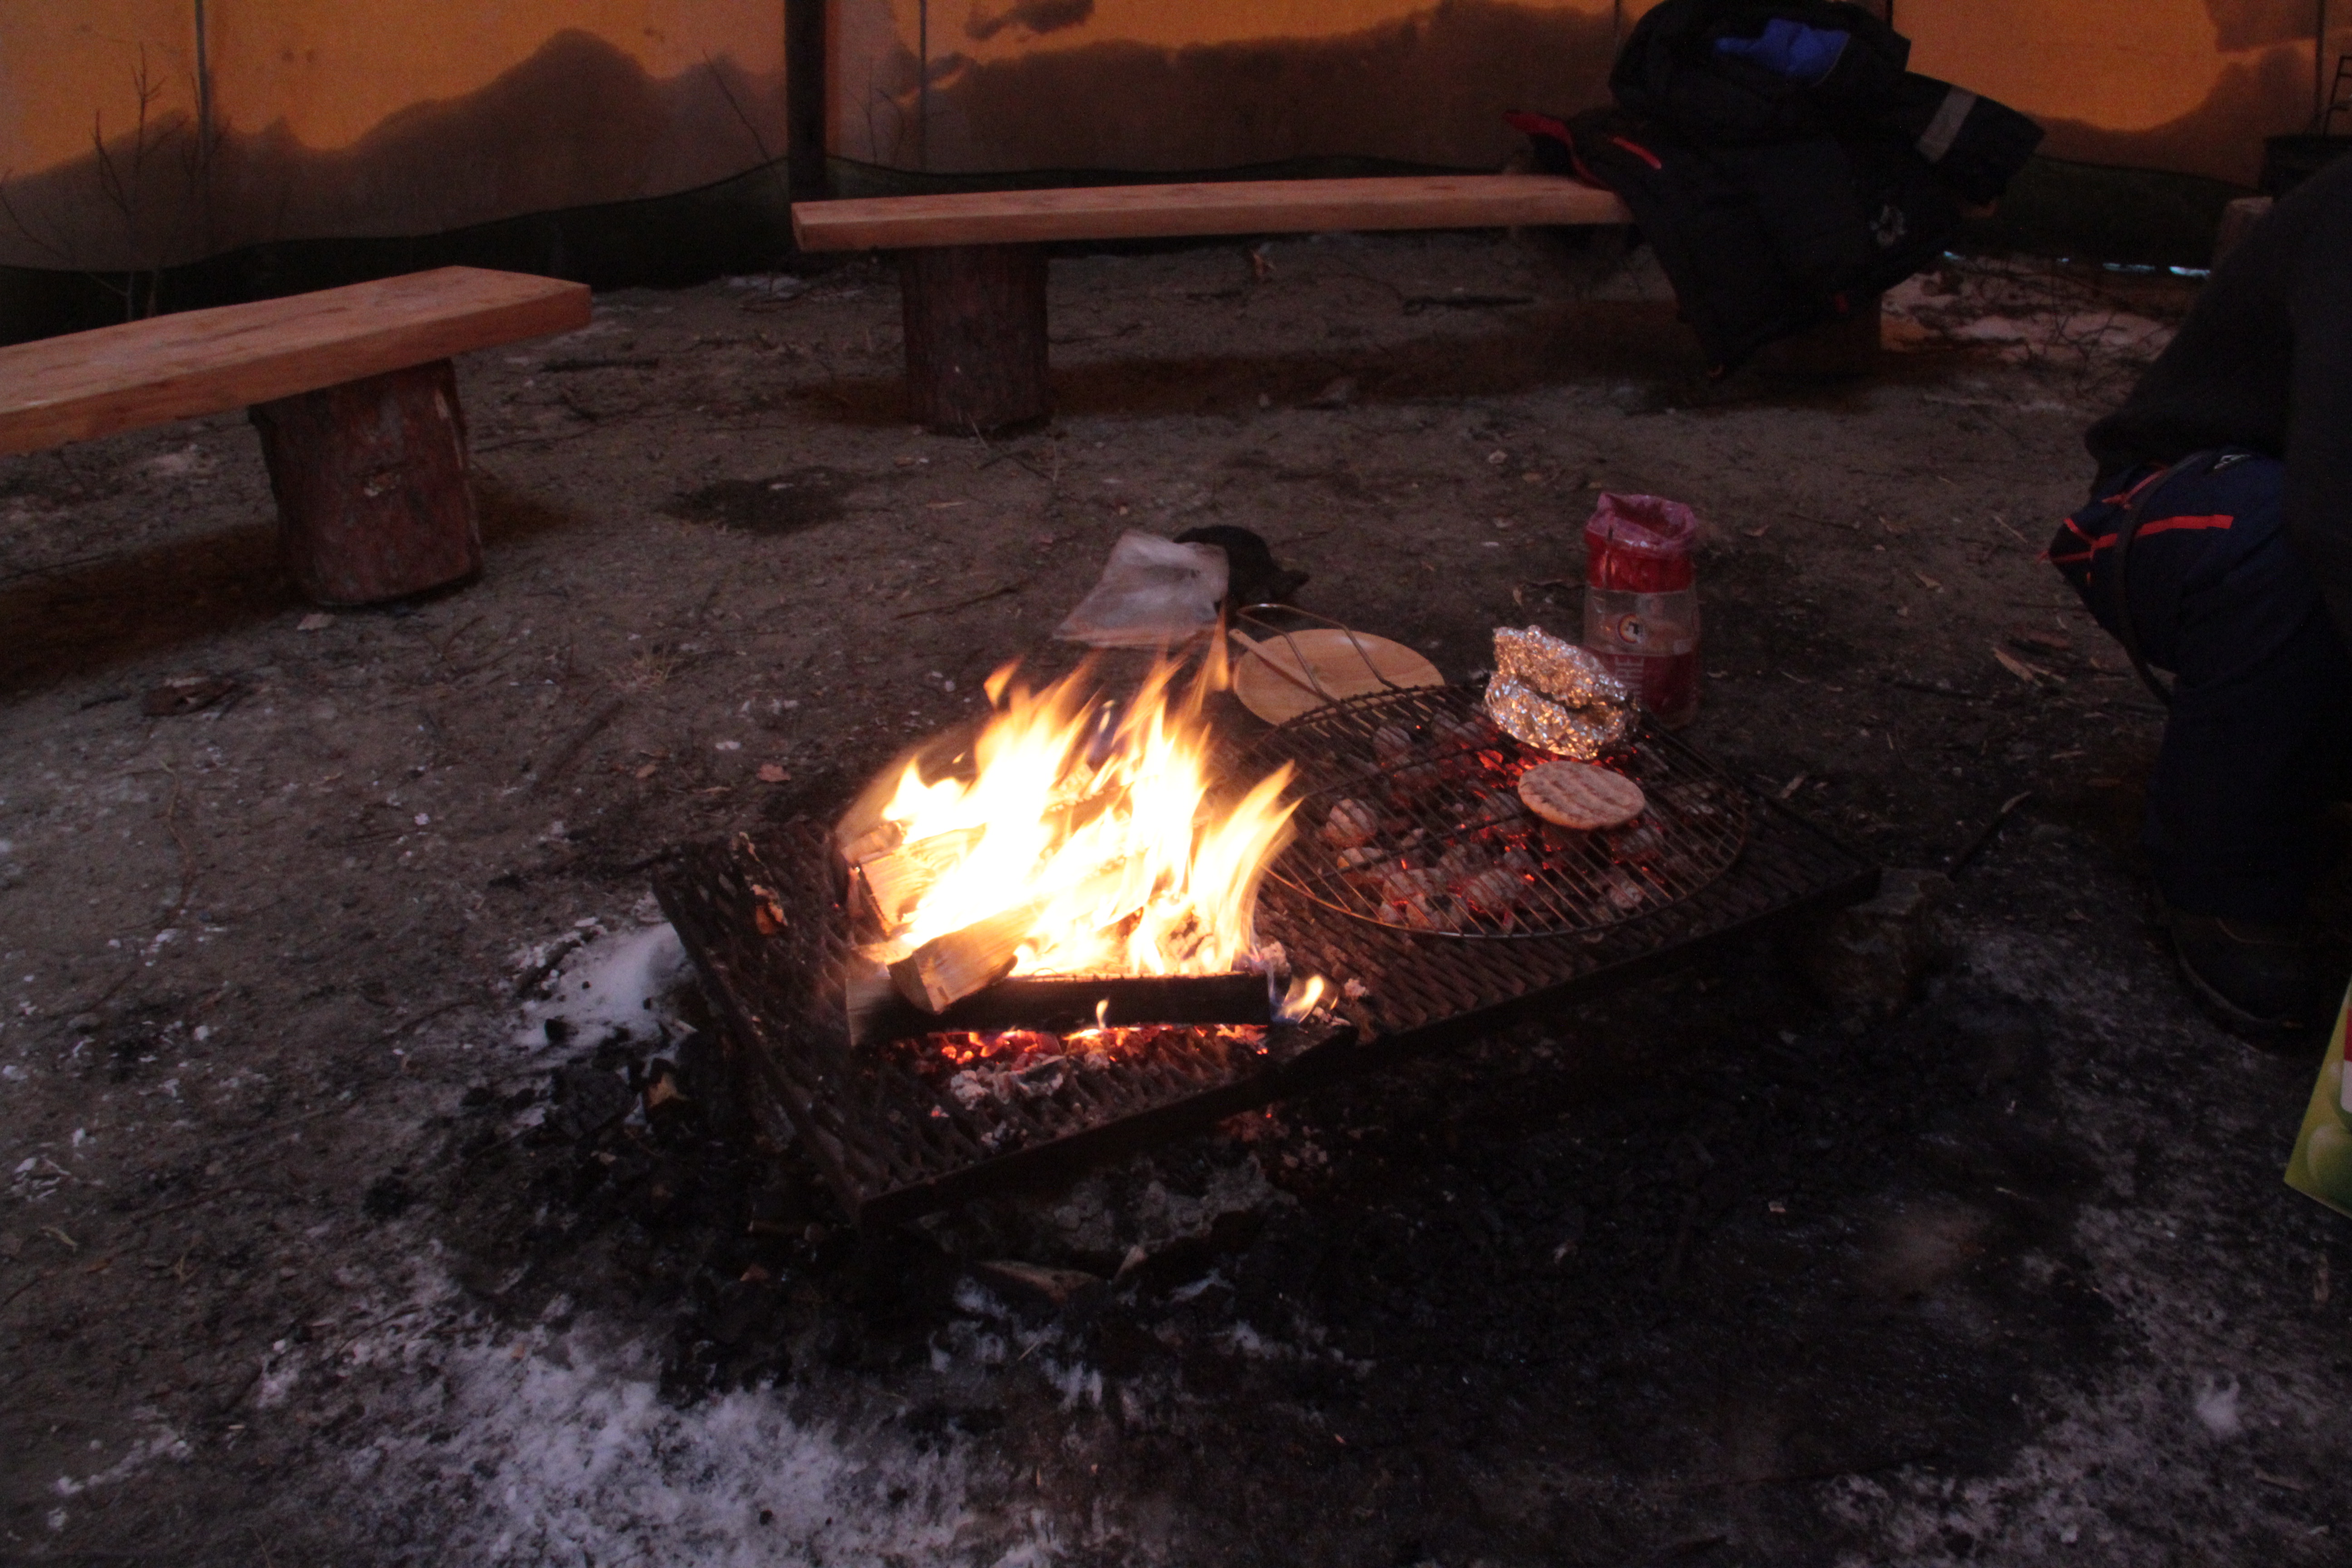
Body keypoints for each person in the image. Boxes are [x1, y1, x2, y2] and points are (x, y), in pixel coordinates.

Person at [2048, 151, 2352, 1045]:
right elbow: (2337, 505)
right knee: (2285, 555)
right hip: (2191, 501)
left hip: (2316, 508)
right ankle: (2223, 883)